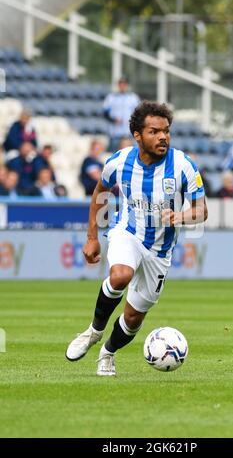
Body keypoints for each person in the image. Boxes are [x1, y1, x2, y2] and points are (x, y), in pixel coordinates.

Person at [66, 101, 208, 376]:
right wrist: (91, 237)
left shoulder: (183, 165)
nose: (163, 137)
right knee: (120, 275)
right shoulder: (119, 162)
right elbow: (99, 192)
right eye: (154, 131)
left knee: (132, 319)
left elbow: (202, 210)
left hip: (160, 250)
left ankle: (107, 352)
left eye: (166, 131)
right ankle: (93, 331)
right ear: (137, 135)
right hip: (127, 233)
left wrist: (181, 217)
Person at [103, 76, 139, 153]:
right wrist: (113, 120)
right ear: (118, 85)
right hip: (115, 133)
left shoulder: (133, 98)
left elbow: (139, 113)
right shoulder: (111, 97)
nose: (122, 86)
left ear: (127, 85)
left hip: (128, 133)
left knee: (128, 156)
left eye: (124, 84)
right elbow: (105, 113)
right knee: (113, 156)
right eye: (121, 83)